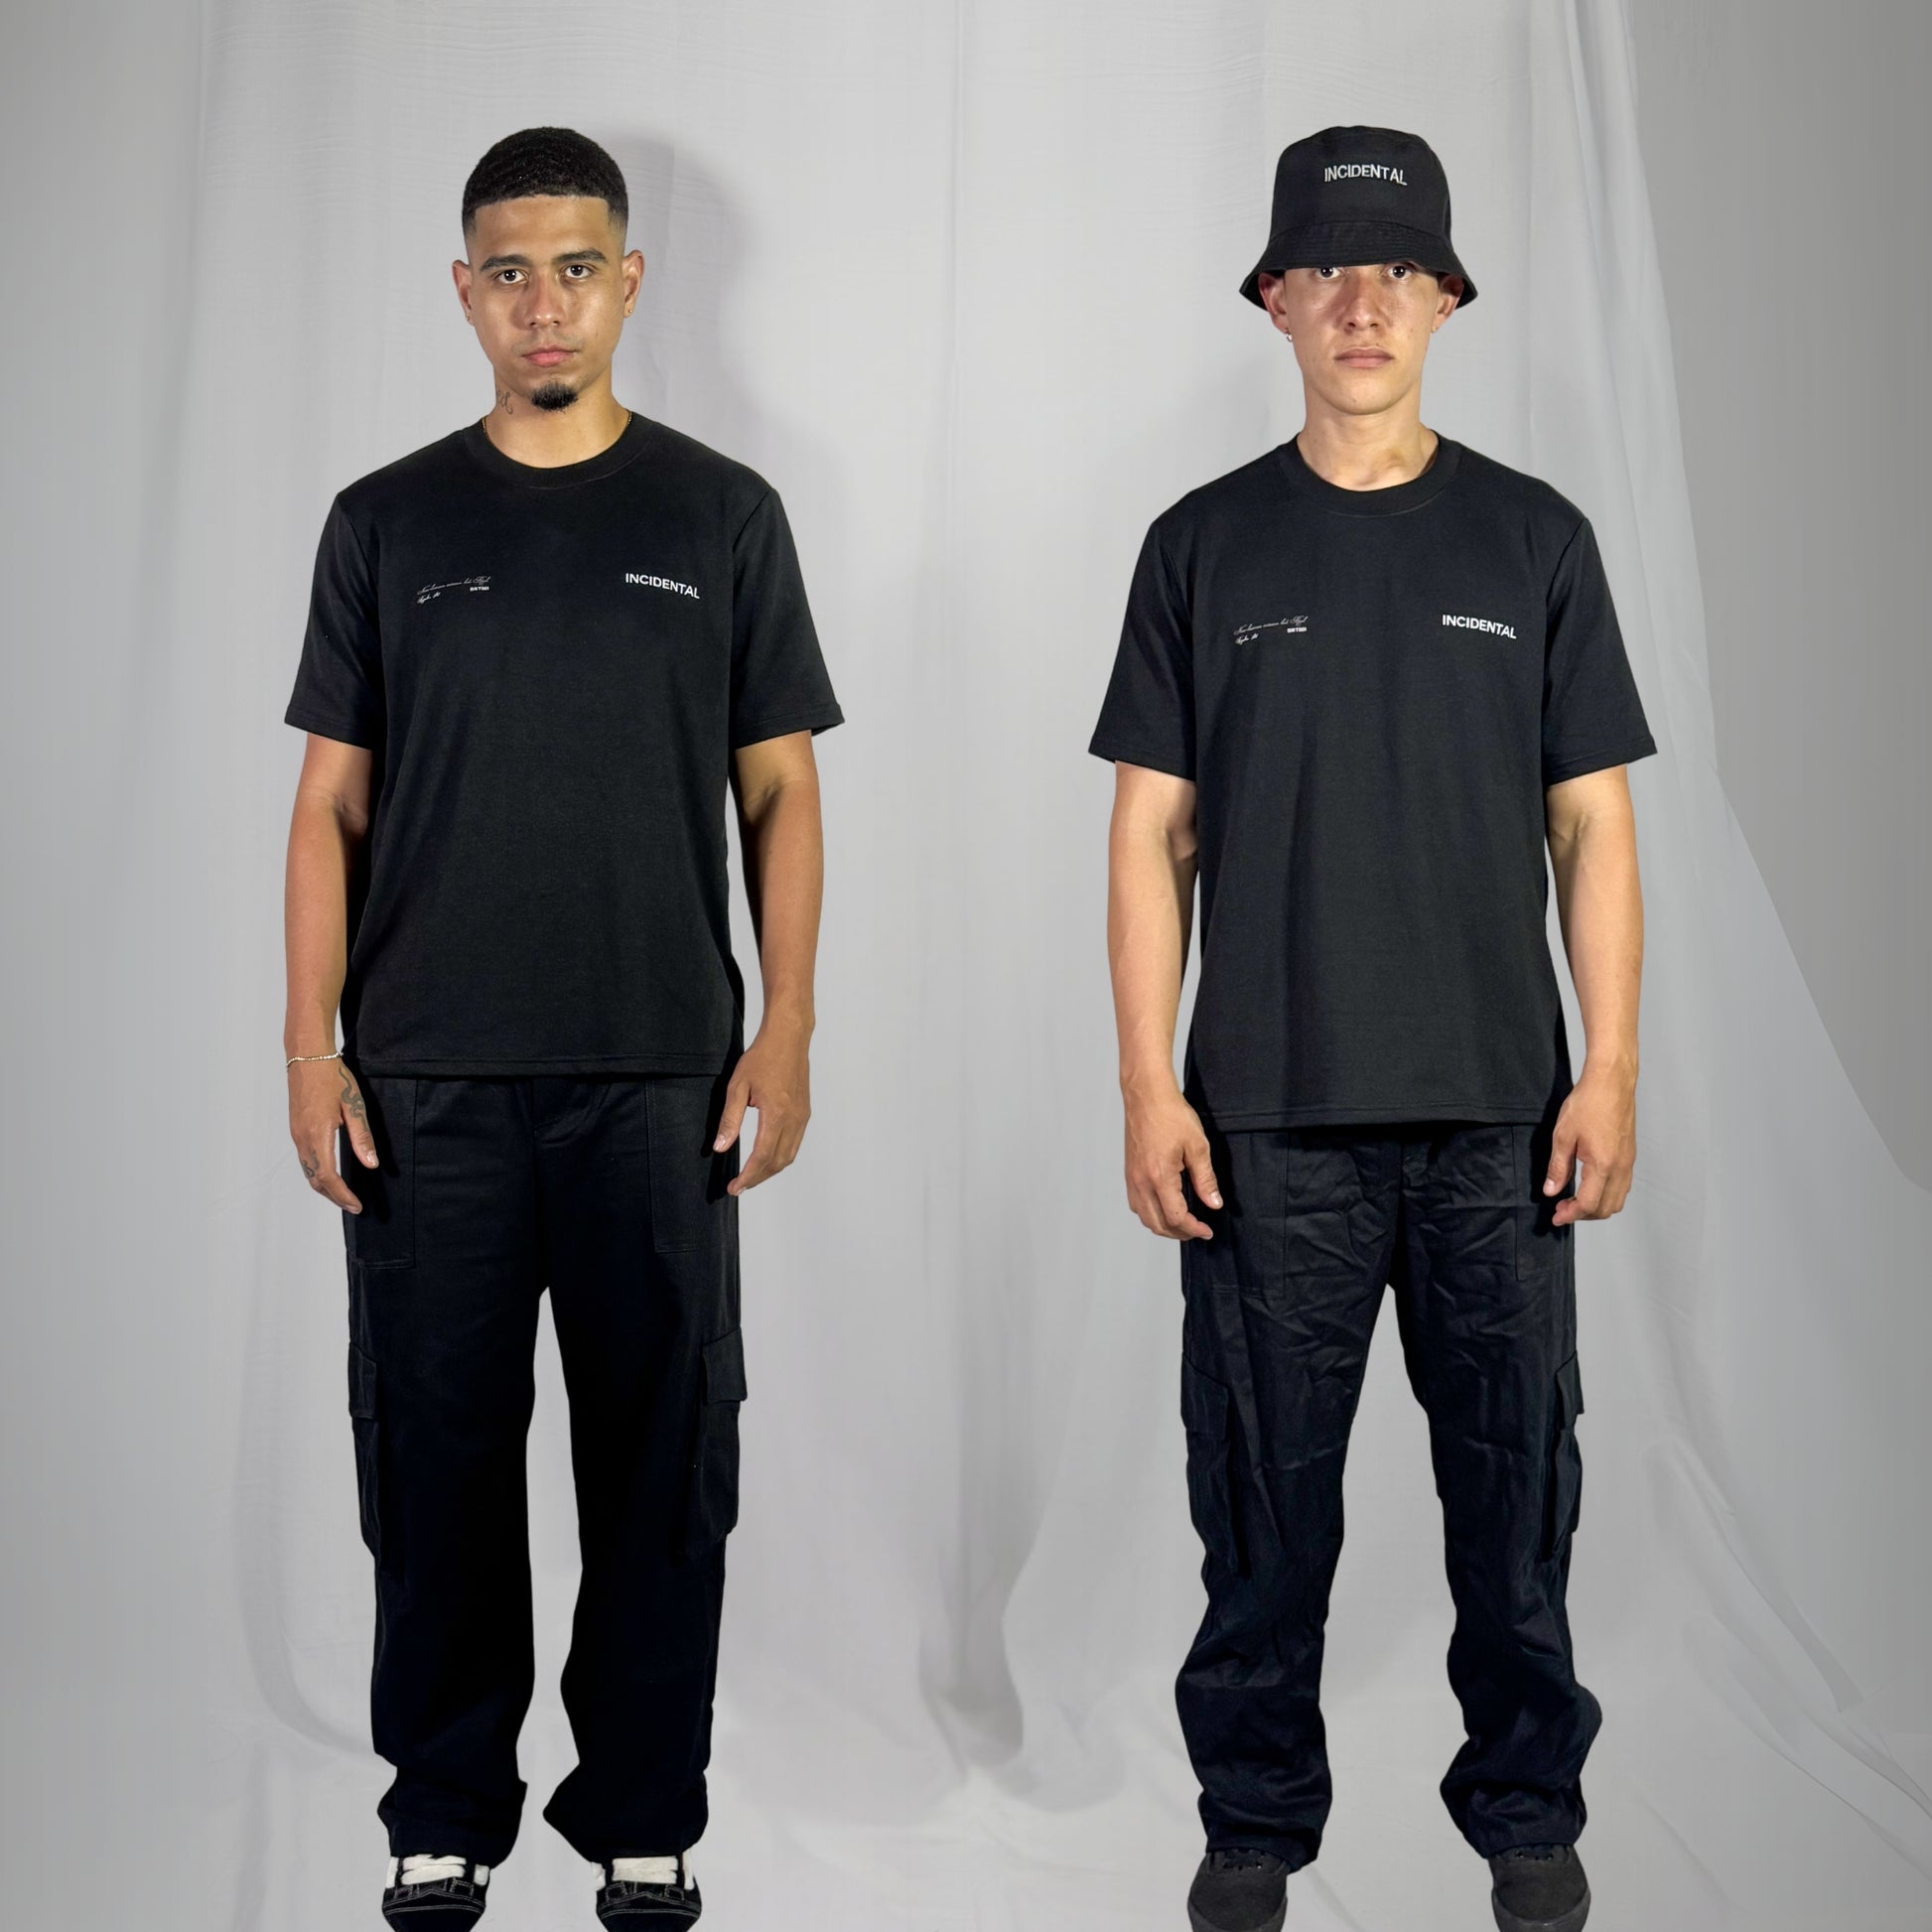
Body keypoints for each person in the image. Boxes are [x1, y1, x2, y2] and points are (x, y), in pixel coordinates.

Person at [1089, 125, 1654, 1932]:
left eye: (1397, 268)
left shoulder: (1533, 536)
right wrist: (1149, 1086)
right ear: (1272, 299)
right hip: (1266, 1116)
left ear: (1448, 299)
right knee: (1261, 1516)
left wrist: (1609, 1067)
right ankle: (1253, 1833)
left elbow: (1592, 829)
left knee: (1515, 1504)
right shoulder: (1200, 544)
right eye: (1326, 268)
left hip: (1500, 1116)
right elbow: (1149, 836)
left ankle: (1527, 1824)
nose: (1361, 300)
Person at [280, 125, 842, 1929]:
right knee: (433, 1461)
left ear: (630, 283)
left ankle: (643, 1814)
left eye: (576, 267)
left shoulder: (719, 514)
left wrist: (787, 1029)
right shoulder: (386, 521)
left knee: (661, 1463)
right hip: (426, 1080)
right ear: (465, 291)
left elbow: (782, 790)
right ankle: (441, 1808)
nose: (545, 303)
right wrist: (310, 1047)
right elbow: (330, 805)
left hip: (659, 1074)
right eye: (510, 272)